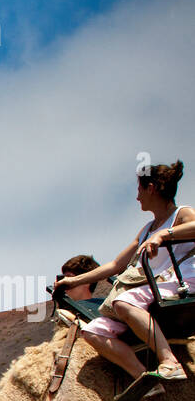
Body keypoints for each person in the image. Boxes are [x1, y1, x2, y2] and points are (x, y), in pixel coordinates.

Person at [57, 161, 194, 387]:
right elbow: (115, 265)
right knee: (93, 332)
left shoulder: (181, 214)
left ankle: (169, 361)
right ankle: (142, 378)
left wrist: (163, 236)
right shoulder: (147, 229)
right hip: (154, 288)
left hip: (183, 283)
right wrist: (73, 280)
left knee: (124, 302)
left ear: (151, 188)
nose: (137, 197)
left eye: (140, 190)